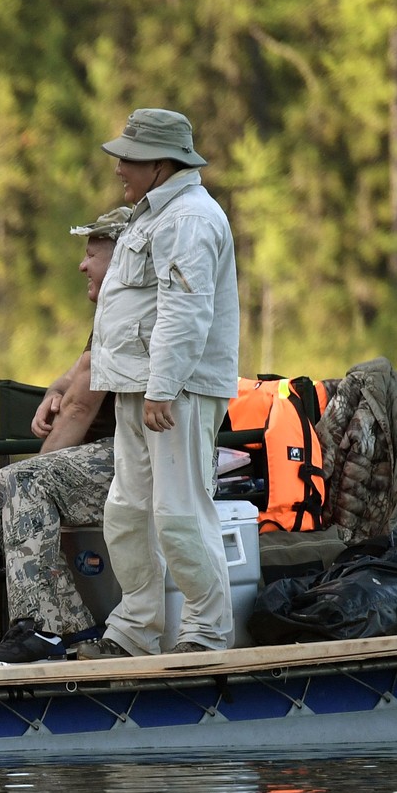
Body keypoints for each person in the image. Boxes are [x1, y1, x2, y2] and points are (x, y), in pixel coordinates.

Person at [77, 109, 240, 659]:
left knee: (180, 512)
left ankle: (206, 631)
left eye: (130, 157)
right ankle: (135, 629)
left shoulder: (189, 218)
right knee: (126, 512)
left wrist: (163, 388)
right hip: (140, 388)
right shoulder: (154, 214)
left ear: (161, 163)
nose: (119, 165)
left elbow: (184, 311)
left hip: (175, 392)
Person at [0, 206, 131, 662]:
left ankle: (41, 628)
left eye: (92, 254)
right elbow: (77, 377)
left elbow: (82, 406)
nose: (82, 264)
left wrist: (34, 469)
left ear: (122, 258)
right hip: (116, 453)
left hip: (139, 452)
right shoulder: (115, 305)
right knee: (0, 490)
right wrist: (54, 390)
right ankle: (68, 627)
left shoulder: (127, 307)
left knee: (18, 483)